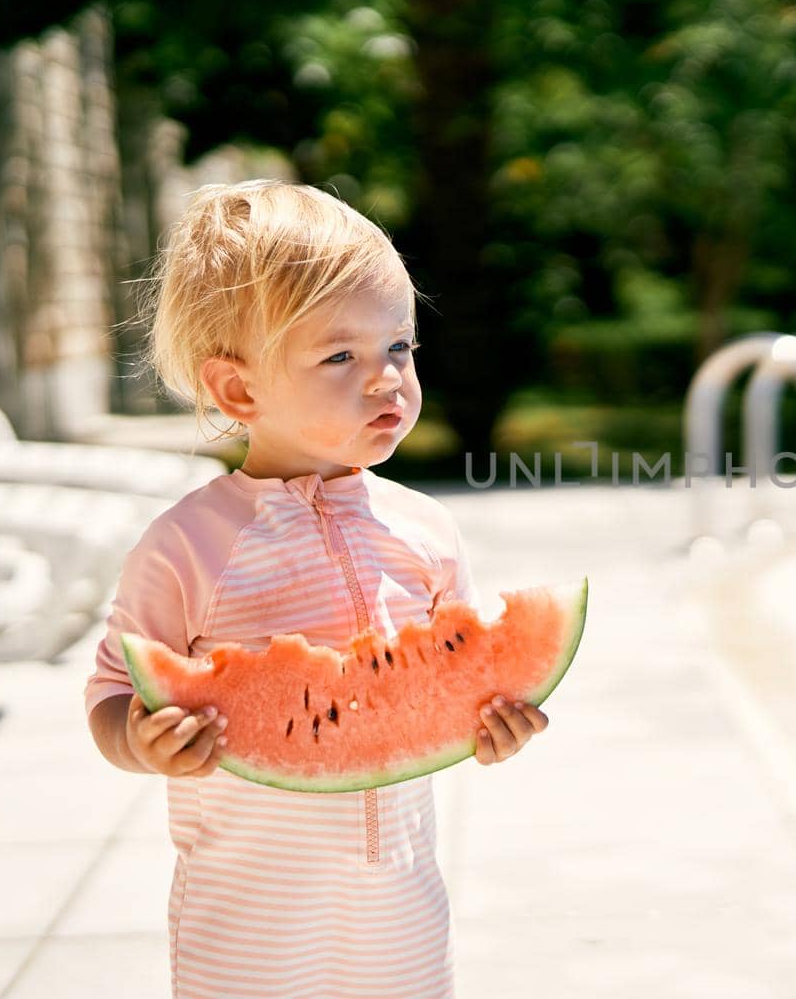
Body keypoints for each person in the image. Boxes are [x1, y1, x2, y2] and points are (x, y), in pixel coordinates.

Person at [84, 179, 547, 998]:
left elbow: (457, 687)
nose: (386, 381)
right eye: (341, 356)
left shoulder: (428, 532)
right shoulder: (189, 546)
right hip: (248, 913)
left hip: (399, 901)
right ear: (237, 391)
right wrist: (138, 737)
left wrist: (493, 723)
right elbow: (115, 692)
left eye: (399, 347)